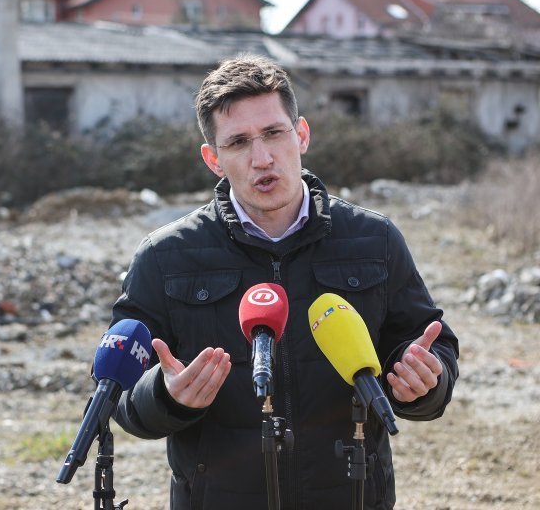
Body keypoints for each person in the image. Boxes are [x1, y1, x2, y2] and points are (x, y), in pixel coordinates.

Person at [110, 55, 459, 510]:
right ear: (213, 159)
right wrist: (165, 396)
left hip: (350, 496)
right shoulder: (164, 256)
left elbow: (433, 350)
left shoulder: (374, 240)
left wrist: (424, 383)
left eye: (274, 133)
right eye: (238, 142)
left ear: (302, 135)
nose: (262, 158)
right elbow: (118, 396)